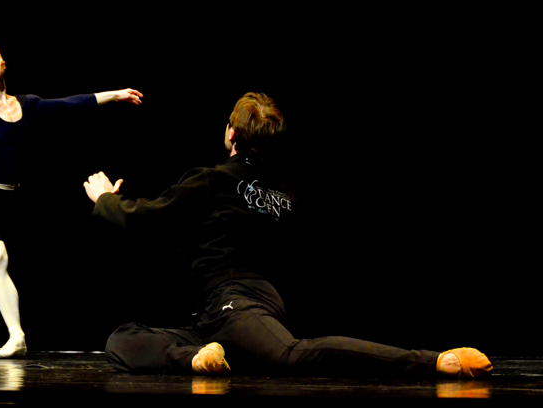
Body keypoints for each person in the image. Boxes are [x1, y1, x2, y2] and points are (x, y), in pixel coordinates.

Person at [83, 92, 493, 378]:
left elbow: (144, 218)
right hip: (222, 317)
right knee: (122, 340)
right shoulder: (286, 196)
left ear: (231, 133)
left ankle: (433, 361)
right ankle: (197, 358)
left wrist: (105, 200)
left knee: (291, 355)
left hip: (235, 305)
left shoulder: (212, 180)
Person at [0, 41, 143, 358]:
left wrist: (116, 95)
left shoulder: (26, 104)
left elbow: (70, 103)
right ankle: (17, 337)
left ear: (4, 63)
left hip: (7, 201)